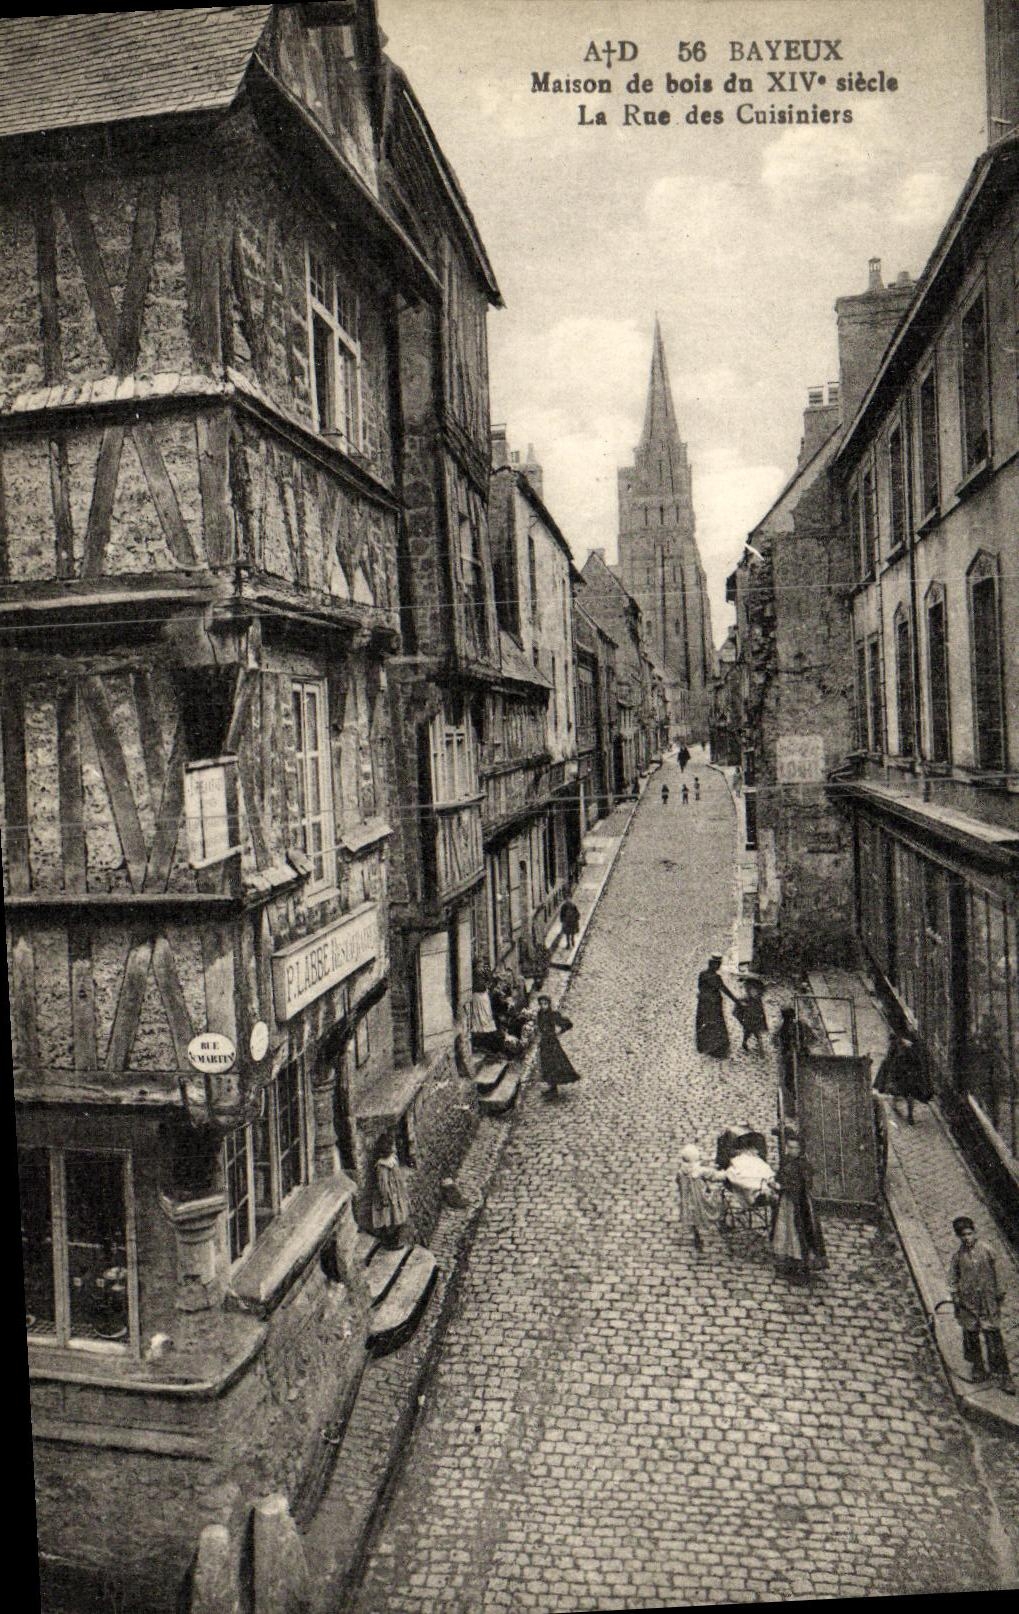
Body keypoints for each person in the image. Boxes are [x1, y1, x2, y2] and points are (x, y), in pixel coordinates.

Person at [949, 1216, 1015, 1394]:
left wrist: (999, 1294)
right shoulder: (958, 1257)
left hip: (987, 1303)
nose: (967, 1238)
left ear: (975, 1232)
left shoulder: (987, 1251)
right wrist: (955, 1295)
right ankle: (978, 1367)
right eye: (963, 1235)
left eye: (970, 1234)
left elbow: (999, 1273)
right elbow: (953, 1279)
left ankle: (1003, 1376)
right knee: (971, 1336)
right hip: (968, 1304)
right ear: (958, 1237)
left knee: (993, 1337)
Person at [769, 1133, 827, 1284]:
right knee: (785, 1230)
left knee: (798, 1233)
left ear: (800, 1149)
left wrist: (781, 1186)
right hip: (786, 1203)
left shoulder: (803, 1165)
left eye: (794, 1147)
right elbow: (781, 1176)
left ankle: (802, 1265)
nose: (790, 1150)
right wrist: (775, 1181)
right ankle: (790, 1262)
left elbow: (803, 1185)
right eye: (789, 1147)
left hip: (800, 1205)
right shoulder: (787, 1160)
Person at [875, 1030, 932, 1125]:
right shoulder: (913, 1046)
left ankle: (903, 1111)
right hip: (908, 1075)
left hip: (901, 1075)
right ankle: (909, 1115)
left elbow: (889, 1060)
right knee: (909, 1095)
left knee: (899, 1091)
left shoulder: (897, 1044)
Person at [676, 1143, 722, 1252]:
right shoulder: (700, 1170)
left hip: (687, 1199)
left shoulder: (680, 1172)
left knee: (691, 1213)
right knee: (716, 1198)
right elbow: (714, 1176)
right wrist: (726, 1174)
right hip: (700, 1198)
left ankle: (696, 1231)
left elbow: (678, 1182)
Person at [371, 1132, 411, 1249]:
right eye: (391, 1145)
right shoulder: (382, 1166)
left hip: (395, 1192)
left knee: (395, 1217)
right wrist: (385, 1198)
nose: (393, 1148)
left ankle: (394, 1239)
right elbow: (383, 1185)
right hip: (389, 1196)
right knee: (389, 1218)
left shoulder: (392, 1160)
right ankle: (389, 1242)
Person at [535, 994, 580, 1099]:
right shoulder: (539, 1014)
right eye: (541, 1004)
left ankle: (553, 1090)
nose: (543, 1006)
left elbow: (567, 1024)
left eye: (545, 1004)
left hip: (552, 1044)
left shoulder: (553, 1014)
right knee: (546, 1065)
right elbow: (540, 1028)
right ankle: (552, 1088)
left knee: (554, 1064)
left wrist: (560, 1032)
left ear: (549, 1004)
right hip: (544, 1043)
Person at [695, 954, 739, 1058]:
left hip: (703, 1003)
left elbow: (700, 987)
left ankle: (704, 1045)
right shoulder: (715, 977)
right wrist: (736, 1001)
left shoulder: (702, 974)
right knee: (715, 1023)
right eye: (718, 964)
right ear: (714, 965)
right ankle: (716, 1047)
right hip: (713, 1004)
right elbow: (724, 989)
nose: (719, 966)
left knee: (704, 1021)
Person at [734, 976, 768, 1054]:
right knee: (747, 1033)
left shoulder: (758, 1001)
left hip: (756, 1021)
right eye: (754, 991)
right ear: (749, 991)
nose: (756, 993)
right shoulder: (746, 1000)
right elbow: (738, 1008)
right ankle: (744, 1043)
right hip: (748, 1021)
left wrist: (762, 1019)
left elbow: (761, 1011)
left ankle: (760, 1048)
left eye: (757, 991)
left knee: (757, 1034)